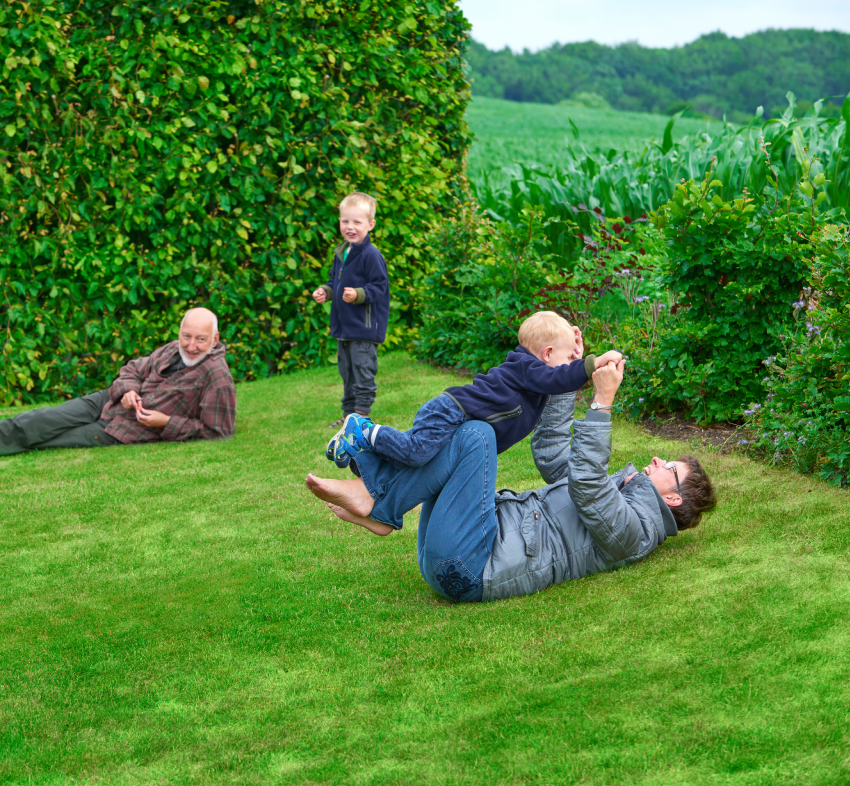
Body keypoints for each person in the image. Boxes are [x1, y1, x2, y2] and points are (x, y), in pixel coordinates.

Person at [305, 359, 717, 603]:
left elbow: (587, 487)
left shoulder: (637, 534)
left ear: (674, 499)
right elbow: (555, 457)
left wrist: (602, 402)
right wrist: (563, 378)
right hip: (461, 549)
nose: (659, 459)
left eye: (672, 468)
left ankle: (380, 503)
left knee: (478, 436)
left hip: (470, 568)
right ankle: (380, 504)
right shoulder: (620, 495)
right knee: (469, 433)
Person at [0, 307, 236, 466]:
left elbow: (218, 431)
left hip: (124, 432)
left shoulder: (216, 377)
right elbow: (132, 368)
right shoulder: (170, 348)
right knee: (35, 420)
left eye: (200, 339)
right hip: (105, 402)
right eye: (186, 336)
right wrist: (127, 390)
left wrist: (166, 424)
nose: (191, 346)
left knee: (44, 440)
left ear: (215, 339)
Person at [326, 310, 624, 468]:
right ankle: (363, 429)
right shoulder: (527, 368)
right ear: (546, 354)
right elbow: (557, 379)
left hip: (457, 417)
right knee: (417, 453)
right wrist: (592, 363)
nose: (567, 363)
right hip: (450, 411)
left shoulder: (534, 376)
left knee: (423, 463)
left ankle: (359, 455)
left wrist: (571, 358)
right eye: (564, 357)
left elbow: (557, 384)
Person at [312, 192, 389, 428]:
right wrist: (326, 291)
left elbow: (380, 287)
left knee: (363, 371)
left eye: (357, 222)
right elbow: (335, 280)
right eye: (345, 221)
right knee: (347, 372)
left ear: (370, 224)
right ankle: (348, 416)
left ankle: (362, 416)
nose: (350, 227)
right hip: (344, 327)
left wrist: (358, 294)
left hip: (363, 327)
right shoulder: (342, 252)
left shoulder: (371, 255)